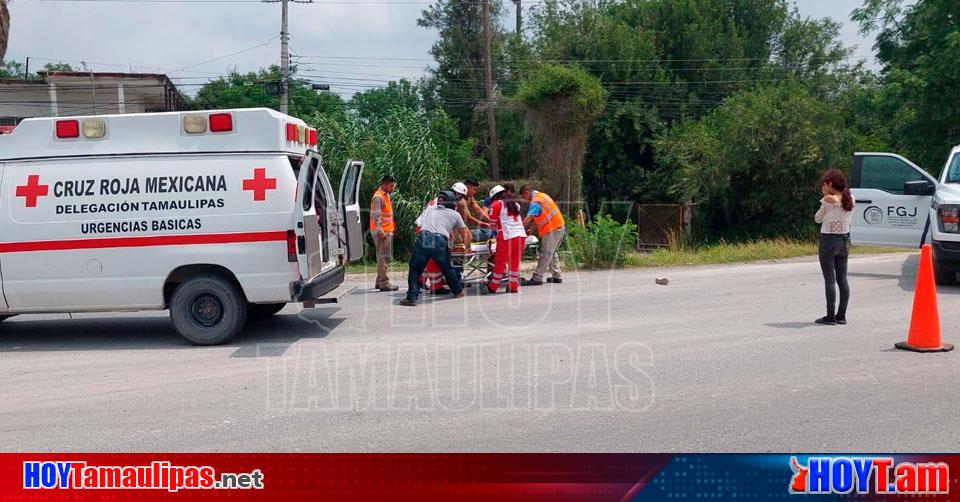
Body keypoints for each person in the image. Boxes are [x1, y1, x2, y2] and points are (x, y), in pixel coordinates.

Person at [400, 191, 472, 307]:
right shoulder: (455, 215)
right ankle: (458, 291)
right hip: (439, 241)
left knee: (415, 269)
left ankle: (411, 298)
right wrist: (468, 247)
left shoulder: (431, 211)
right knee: (447, 268)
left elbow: (421, 224)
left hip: (424, 238)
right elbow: (465, 233)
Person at [814, 169, 856, 325]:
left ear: (830, 184)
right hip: (845, 240)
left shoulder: (828, 200)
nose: (823, 187)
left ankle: (830, 316)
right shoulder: (850, 198)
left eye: (824, 185)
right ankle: (841, 315)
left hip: (828, 240)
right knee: (842, 279)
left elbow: (817, 219)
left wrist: (825, 194)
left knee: (830, 280)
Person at [519, 184, 565, 286]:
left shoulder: (535, 202)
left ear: (527, 193)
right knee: (552, 252)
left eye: (523, 196)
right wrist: (531, 229)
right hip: (559, 226)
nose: (524, 199)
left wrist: (517, 229)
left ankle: (537, 278)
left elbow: (528, 218)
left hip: (552, 229)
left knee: (546, 253)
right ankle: (556, 276)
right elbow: (539, 216)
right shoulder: (542, 196)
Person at [487, 184, 527, 294]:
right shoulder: (515, 204)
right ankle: (513, 286)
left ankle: (493, 286)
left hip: (507, 236)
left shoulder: (496, 205)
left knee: (500, 262)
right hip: (520, 235)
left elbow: (493, 225)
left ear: (495, 196)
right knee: (514, 262)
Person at [370, 175, 398, 291]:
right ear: (385, 184)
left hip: (386, 231)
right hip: (382, 232)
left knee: (382, 257)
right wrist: (380, 230)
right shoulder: (378, 197)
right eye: (391, 186)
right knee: (383, 258)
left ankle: (379, 281)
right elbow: (376, 216)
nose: (393, 188)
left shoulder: (385, 195)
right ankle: (384, 283)